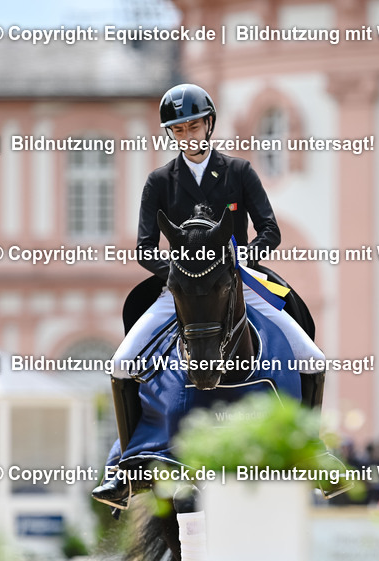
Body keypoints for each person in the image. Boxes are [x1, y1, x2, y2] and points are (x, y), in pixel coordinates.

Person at [94, 84, 326, 507]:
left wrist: (248, 255)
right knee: (122, 363)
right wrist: (180, 272)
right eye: (178, 130)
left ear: (209, 124)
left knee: (313, 358)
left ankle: (313, 458)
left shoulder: (239, 172)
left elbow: (269, 230)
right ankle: (126, 469)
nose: (188, 135)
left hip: (238, 279)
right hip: (180, 286)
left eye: (194, 125)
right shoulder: (160, 181)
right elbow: (145, 247)